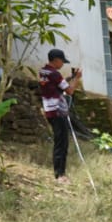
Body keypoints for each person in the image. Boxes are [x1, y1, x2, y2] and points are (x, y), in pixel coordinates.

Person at [39, 48, 81, 183]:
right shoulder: (55, 74)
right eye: (62, 61)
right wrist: (77, 79)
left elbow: (55, 86)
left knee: (59, 141)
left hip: (49, 110)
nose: (62, 64)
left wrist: (68, 78)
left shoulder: (43, 72)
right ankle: (60, 174)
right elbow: (69, 91)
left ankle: (60, 173)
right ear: (56, 60)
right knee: (62, 143)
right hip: (57, 111)